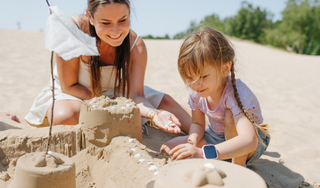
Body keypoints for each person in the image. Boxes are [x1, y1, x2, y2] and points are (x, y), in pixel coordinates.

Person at [25, 0, 191, 134]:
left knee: (167, 103)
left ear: (129, 11)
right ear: (90, 16)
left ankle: (209, 142)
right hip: (75, 94)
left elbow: (137, 95)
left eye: (123, 20)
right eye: (105, 23)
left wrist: (154, 113)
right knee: (66, 116)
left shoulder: (136, 45)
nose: (116, 31)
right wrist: (113, 107)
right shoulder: (71, 31)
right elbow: (68, 86)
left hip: (119, 93)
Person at [161, 27, 270, 167]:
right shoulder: (196, 90)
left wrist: (202, 153)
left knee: (230, 118)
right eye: (189, 77)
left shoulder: (236, 94)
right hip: (216, 137)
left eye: (203, 76)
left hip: (251, 143)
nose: (196, 84)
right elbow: (198, 124)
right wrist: (192, 141)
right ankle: (222, 156)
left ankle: (238, 166)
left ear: (225, 69)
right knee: (170, 147)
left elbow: (248, 139)